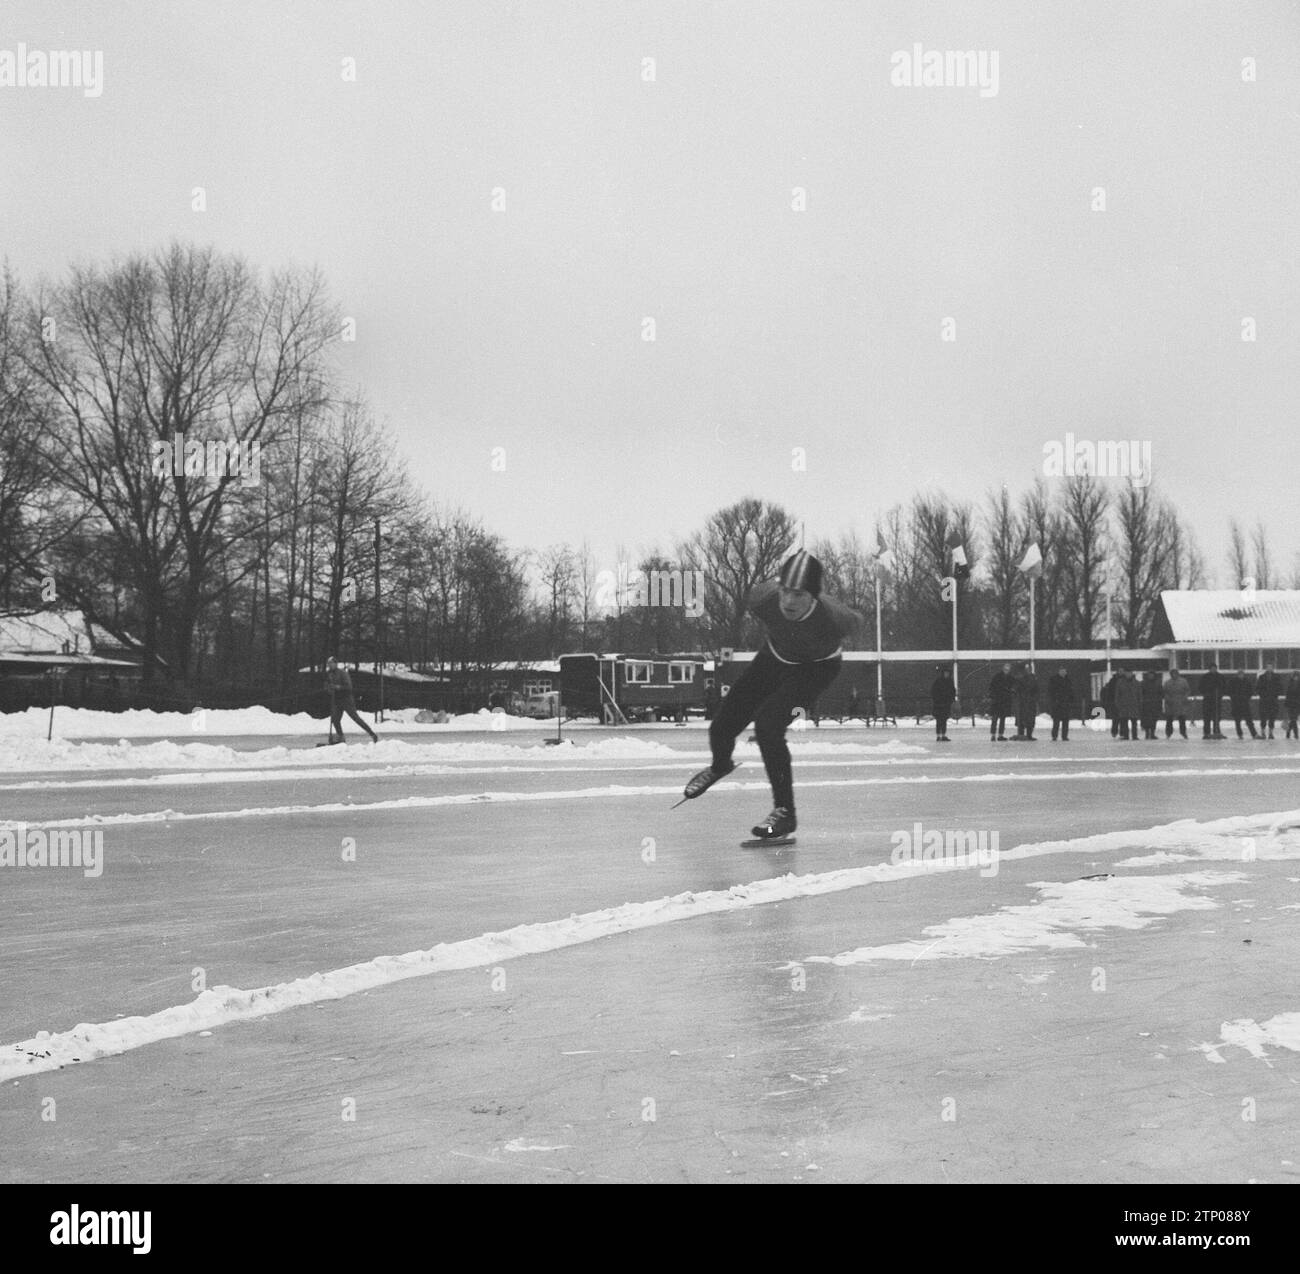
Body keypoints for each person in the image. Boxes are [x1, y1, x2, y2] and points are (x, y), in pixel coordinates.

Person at [681, 551, 861, 840]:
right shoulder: (763, 599)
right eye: (785, 592)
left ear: (814, 596)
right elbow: (769, 591)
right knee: (723, 724)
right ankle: (720, 765)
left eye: (799, 594)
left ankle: (785, 813)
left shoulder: (836, 619)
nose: (788, 601)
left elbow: (856, 620)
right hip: (774, 659)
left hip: (816, 669)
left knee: (768, 727)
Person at [325, 656, 379, 743]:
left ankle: (372, 734)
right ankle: (341, 737)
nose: (330, 665)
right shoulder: (329, 674)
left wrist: (338, 687)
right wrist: (329, 688)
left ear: (336, 664)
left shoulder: (342, 673)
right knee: (335, 719)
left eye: (331, 663)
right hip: (337, 700)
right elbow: (327, 685)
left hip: (346, 699)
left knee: (355, 718)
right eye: (328, 664)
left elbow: (349, 686)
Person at [1228, 669, 1259, 739]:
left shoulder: (1247, 682)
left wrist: (1246, 698)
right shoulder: (1233, 682)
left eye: (1242, 674)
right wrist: (1234, 698)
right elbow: (1229, 691)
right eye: (1239, 674)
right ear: (1237, 675)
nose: (1241, 675)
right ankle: (1240, 734)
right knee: (1237, 721)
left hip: (1245, 704)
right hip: (1236, 704)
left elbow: (1250, 691)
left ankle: (1254, 734)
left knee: (1249, 720)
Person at [988, 662, 1015, 741]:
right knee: (995, 719)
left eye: (1008, 669)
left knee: (1002, 719)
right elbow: (992, 687)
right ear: (1003, 668)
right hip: (998, 701)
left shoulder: (1009, 678)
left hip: (1003, 701)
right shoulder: (998, 677)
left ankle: (1000, 735)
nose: (1007, 670)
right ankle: (994, 735)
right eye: (1006, 668)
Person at [930, 666, 957, 742]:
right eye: (945, 673)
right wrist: (937, 700)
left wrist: (951, 700)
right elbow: (934, 692)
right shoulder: (938, 681)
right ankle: (938, 735)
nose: (946, 674)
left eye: (947, 673)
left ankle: (943, 735)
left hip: (946, 704)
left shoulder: (949, 682)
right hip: (938, 704)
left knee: (944, 720)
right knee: (939, 720)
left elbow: (953, 691)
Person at [1163, 668, 1191, 739]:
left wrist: (1185, 698)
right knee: (1169, 720)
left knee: (1182, 720)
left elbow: (1187, 690)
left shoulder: (1183, 682)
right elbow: (1165, 692)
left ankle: (1183, 732)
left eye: (1175, 673)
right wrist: (1168, 699)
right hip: (1171, 704)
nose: (1174, 675)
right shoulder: (1167, 683)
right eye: (1173, 674)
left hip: (1181, 703)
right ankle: (1168, 733)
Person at [1013, 663, 1039, 741]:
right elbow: (1016, 689)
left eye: (1029, 669)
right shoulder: (1020, 678)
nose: (1028, 671)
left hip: (1031, 702)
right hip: (1022, 703)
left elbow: (1037, 690)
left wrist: (1035, 698)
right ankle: (1021, 734)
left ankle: (1029, 735)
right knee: (1022, 719)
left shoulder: (1034, 678)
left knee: (1030, 720)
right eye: (1027, 669)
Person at [1047, 666, 1073, 741]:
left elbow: (1071, 691)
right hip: (1057, 704)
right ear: (1059, 671)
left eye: (1065, 671)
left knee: (1065, 722)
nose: (1063, 672)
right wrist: (1054, 700)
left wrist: (1070, 700)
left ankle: (1064, 736)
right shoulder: (1054, 680)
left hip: (1066, 704)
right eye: (1062, 671)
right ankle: (1054, 736)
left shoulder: (1068, 680)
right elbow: (1050, 691)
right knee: (1056, 721)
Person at [1114, 670, 1141, 741]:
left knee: (1134, 722)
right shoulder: (1120, 683)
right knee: (1124, 721)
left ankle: (1134, 735)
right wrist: (1118, 704)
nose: (1128, 674)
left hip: (1133, 705)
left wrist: (1139, 703)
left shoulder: (1137, 683)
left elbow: (1139, 695)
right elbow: (1117, 695)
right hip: (1124, 705)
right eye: (1127, 673)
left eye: (1130, 673)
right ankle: (1126, 735)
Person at [1257, 663, 1282, 740]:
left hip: (1273, 700)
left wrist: (1275, 695)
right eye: (1268, 667)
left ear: (1273, 668)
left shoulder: (1277, 677)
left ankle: (1271, 732)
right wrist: (1262, 695)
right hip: (1264, 700)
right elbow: (1258, 688)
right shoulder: (1261, 677)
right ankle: (1263, 732)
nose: (1269, 668)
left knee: (1272, 717)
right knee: (1263, 717)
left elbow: (1280, 687)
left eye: (1271, 667)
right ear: (1266, 668)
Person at [1200, 663, 1225, 739]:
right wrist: (1206, 693)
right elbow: (1201, 687)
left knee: (1216, 717)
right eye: (1212, 668)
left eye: (1214, 668)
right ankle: (1206, 732)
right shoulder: (1205, 677)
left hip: (1217, 700)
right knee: (1207, 717)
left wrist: (1220, 694)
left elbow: (1224, 687)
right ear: (1209, 669)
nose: (1213, 669)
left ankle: (1216, 731)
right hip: (1207, 700)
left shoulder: (1220, 677)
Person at [1140, 670, 1163, 739]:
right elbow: (1140, 693)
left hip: (1155, 704)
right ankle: (1147, 733)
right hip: (1146, 704)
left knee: (1154, 720)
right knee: (1146, 720)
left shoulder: (1158, 683)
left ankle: (1152, 733)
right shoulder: (1143, 683)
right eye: (1150, 675)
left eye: (1152, 675)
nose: (1151, 676)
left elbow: (1161, 694)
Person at [1100, 672, 1120, 737]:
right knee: (1116, 718)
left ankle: (1119, 732)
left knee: (1119, 718)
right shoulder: (1112, 682)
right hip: (1114, 703)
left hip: (1119, 702)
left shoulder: (1112, 682)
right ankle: (1115, 732)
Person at [1285, 672, 1300, 741]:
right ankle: (1296, 734)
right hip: (1290, 704)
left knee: (1293, 719)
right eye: (1295, 676)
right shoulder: (1290, 685)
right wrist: (1286, 704)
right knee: (1293, 719)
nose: (1296, 678)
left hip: (1297, 705)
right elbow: (1287, 695)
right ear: (1293, 677)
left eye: (1297, 676)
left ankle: (1288, 731)